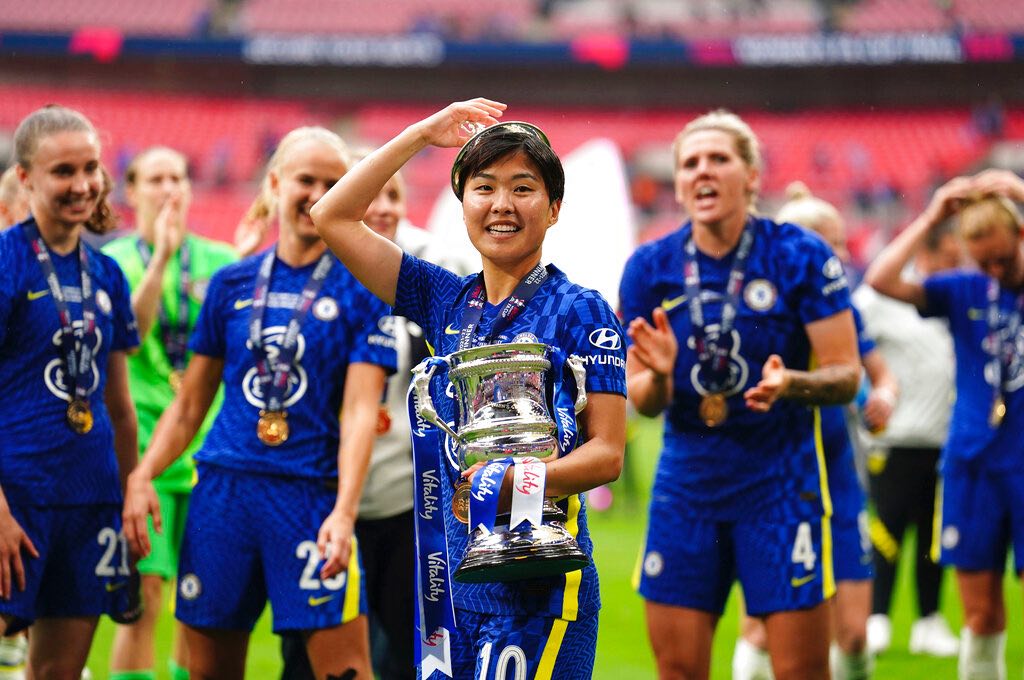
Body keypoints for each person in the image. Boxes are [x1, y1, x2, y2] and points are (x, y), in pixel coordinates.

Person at [311, 98, 627, 679]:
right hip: (451, 583)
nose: (501, 204)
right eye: (483, 187)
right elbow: (331, 215)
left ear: (554, 208)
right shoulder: (442, 299)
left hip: (542, 583)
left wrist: (514, 482)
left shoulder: (582, 309)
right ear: (462, 205)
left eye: (523, 188)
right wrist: (421, 134)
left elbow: (607, 454)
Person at [122, 126, 395, 679]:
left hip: (310, 497)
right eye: (305, 179)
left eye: (333, 183)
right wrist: (144, 474)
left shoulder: (361, 288)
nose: (318, 193)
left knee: (346, 670)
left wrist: (345, 511)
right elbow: (191, 402)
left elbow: (361, 411)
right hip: (224, 495)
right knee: (209, 670)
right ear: (274, 184)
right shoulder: (230, 283)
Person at [620, 110, 861, 680]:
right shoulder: (649, 269)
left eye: (718, 159)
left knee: (801, 672)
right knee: (678, 670)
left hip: (780, 487)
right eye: (690, 163)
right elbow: (643, 400)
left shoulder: (799, 255)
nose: (703, 172)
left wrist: (794, 384)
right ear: (678, 183)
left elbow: (846, 373)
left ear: (751, 176)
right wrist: (656, 377)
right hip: (687, 488)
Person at [280, 153, 471, 680]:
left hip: (408, 495)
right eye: (371, 194)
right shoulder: (310, 276)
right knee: (309, 655)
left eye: (393, 196)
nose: (381, 208)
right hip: (318, 491)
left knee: (414, 651)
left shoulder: (435, 269)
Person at [732, 183, 900, 680]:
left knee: (853, 634)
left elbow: (878, 372)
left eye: (845, 244)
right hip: (773, 482)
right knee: (761, 629)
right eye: (833, 244)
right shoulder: (755, 315)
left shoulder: (839, 312)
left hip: (838, 484)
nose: (845, 256)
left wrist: (885, 394)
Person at [864, 168, 1024, 680]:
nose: (996, 269)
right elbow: (881, 279)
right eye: (985, 260)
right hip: (972, 461)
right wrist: (933, 214)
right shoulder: (965, 289)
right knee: (979, 613)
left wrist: (1020, 194)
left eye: (1005, 256)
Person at [0, 105, 140, 677]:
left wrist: (131, 490)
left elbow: (121, 409)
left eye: (91, 168)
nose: (82, 185)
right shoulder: (7, 262)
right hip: (16, 498)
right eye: (63, 172)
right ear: (26, 177)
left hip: (90, 502)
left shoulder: (107, 275)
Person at [102, 146, 238, 680]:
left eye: (177, 177)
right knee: (143, 597)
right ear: (132, 193)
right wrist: (160, 258)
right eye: (155, 179)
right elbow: (129, 339)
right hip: (143, 454)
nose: (168, 189)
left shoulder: (219, 260)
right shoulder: (115, 261)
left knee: (197, 602)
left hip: (206, 449)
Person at [854, 221, 962, 659]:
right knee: (888, 528)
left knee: (934, 535)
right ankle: (876, 616)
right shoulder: (887, 299)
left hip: (944, 440)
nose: (955, 268)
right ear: (928, 256)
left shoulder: (950, 302)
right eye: (949, 260)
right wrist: (871, 393)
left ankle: (929, 620)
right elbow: (848, 326)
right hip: (895, 438)